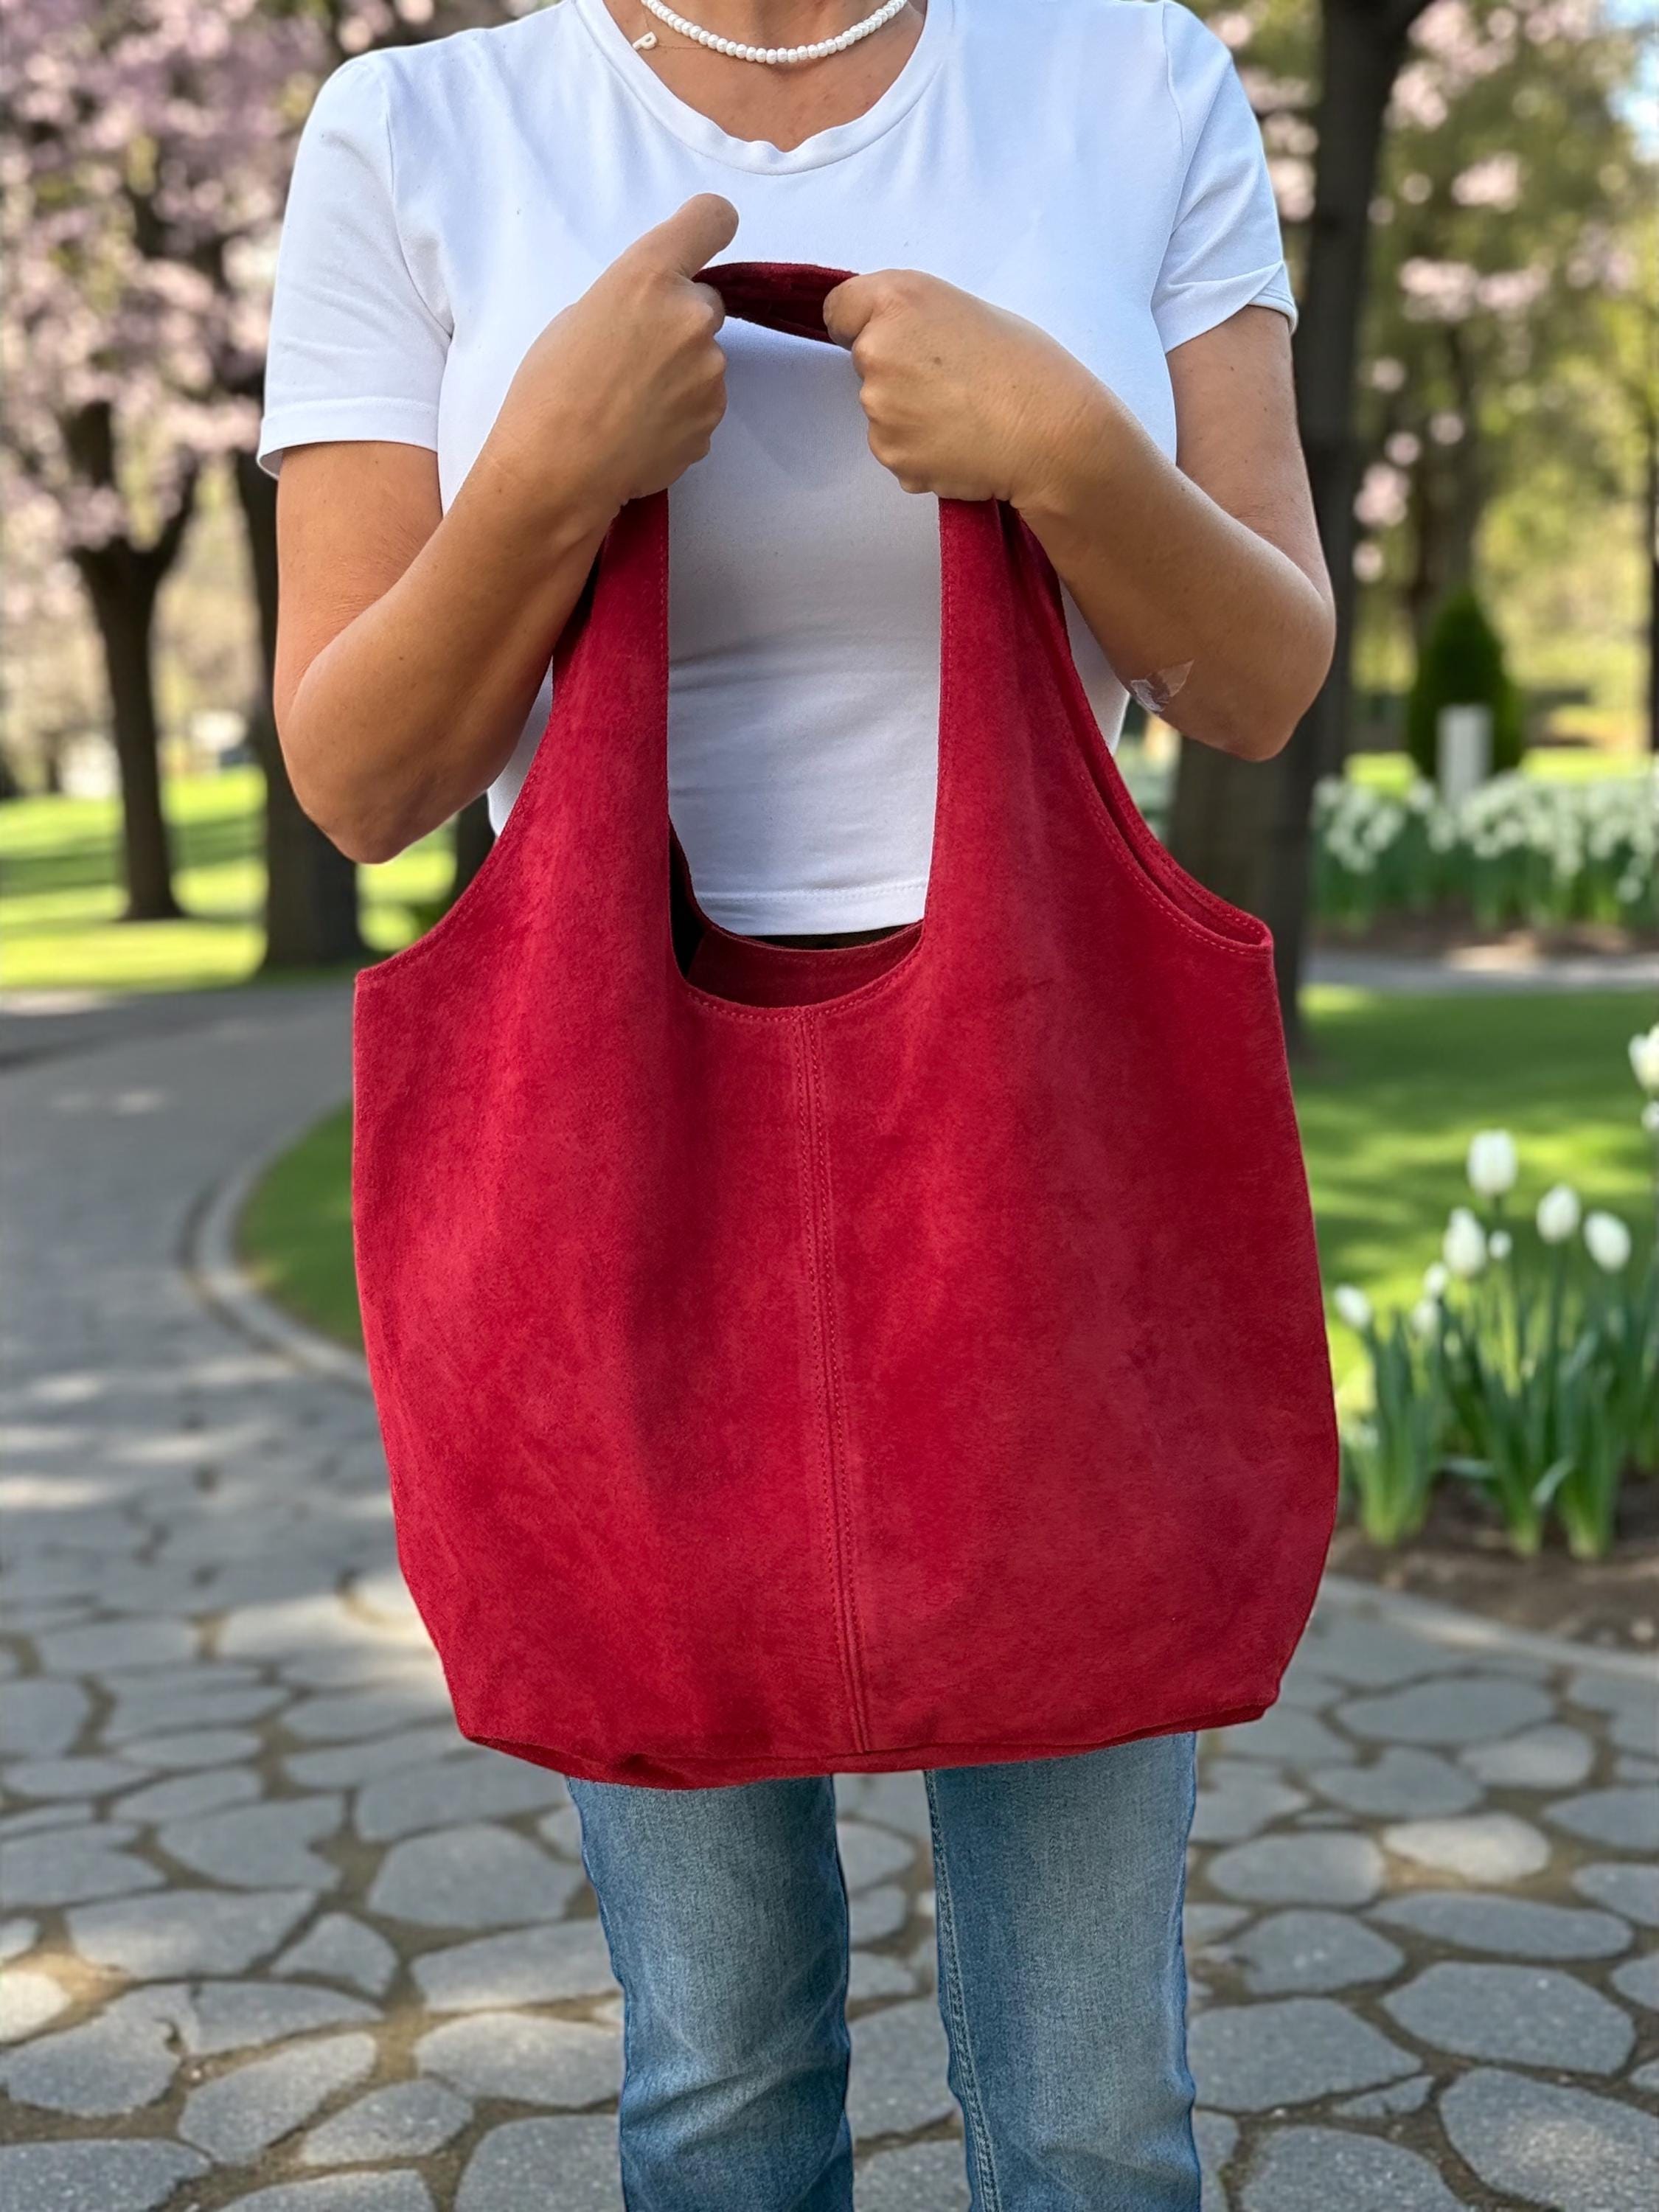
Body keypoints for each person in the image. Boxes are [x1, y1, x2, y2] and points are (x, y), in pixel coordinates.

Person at [260, 2, 1334, 2203]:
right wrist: (550, 467)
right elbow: (364, 779)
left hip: (1057, 1172)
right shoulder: (418, 126)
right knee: (717, 2081)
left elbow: (1262, 677)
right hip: (606, 1179)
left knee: (1091, 2107)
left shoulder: (1133, 79)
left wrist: (1070, 455)